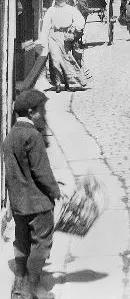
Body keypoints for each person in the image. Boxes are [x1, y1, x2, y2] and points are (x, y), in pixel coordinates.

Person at [3, 89, 61, 299]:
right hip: (38, 204)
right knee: (41, 244)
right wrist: (55, 190)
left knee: (22, 241)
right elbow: (41, 170)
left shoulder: (9, 137)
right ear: (31, 111)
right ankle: (31, 288)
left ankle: (18, 287)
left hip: (19, 205)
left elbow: (13, 173)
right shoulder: (33, 136)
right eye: (42, 110)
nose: (44, 114)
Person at [36, 0, 87, 92]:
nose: (60, 0)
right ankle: (58, 84)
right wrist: (43, 40)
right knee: (55, 59)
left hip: (65, 37)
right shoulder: (51, 10)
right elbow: (45, 26)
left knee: (66, 59)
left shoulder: (71, 9)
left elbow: (80, 21)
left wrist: (74, 28)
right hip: (53, 36)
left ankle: (68, 83)